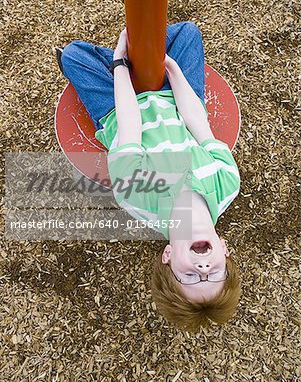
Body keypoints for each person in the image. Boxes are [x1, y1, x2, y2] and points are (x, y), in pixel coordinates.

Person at [56, 21, 241, 332]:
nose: (204, 267)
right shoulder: (226, 184)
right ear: (224, 250)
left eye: (191, 277)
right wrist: (170, 69)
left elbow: (130, 125)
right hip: (176, 100)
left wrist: (120, 66)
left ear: (168, 256)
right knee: (189, 33)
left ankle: (125, 52)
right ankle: (141, 46)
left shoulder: (138, 196)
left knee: (75, 55)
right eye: (215, 274)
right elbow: (198, 123)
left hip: (118, 109)